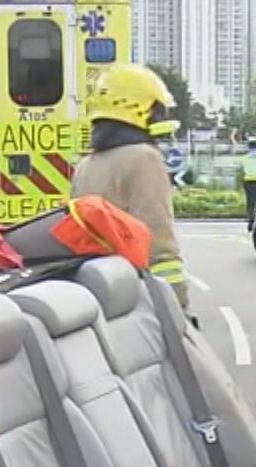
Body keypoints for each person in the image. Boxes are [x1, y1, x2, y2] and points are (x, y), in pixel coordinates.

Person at [70, 63, 188, 306]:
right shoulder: (144, 158)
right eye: (157, 110)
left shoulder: (86, 164)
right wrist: (178, 306)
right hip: (137, 294)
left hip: (100, 294)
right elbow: (159, 244)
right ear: (137, 108)